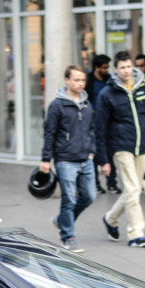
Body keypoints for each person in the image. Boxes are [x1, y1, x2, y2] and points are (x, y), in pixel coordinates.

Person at [40, 66, 106, 253]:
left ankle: (61, 220)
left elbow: (91, 130)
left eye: (83, 80)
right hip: (65, 159)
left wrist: (92, 152)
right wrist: (46, 159)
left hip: (86, 158)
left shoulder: (87, 104)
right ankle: (68, 237)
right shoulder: (57, 105)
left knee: (89, 196)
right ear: (67, 80)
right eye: (76, 80)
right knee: (69, 199)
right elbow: (50, 133)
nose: (80, 83)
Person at [96, 51, 145, 248]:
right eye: (122, 67)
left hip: (143, 147)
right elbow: (101, 128)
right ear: (116, 70)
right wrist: (103, 159)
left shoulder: (143, 89)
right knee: (132, 189)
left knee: (134, 189)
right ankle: (136, 234)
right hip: (121, 146)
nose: (126, 71)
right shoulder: (107, 94)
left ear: (134, 68)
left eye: (129, 67)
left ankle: (110, 219)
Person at [85, 55, 115, 193]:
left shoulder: (110, 80)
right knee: (94, 153)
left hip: (108, 121)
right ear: (96, 67)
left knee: (110, 152)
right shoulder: (88, 81)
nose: (106, 70)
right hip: (92, 121)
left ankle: (111, 183)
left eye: (108, 67)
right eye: (104, 67)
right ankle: (96, 184)